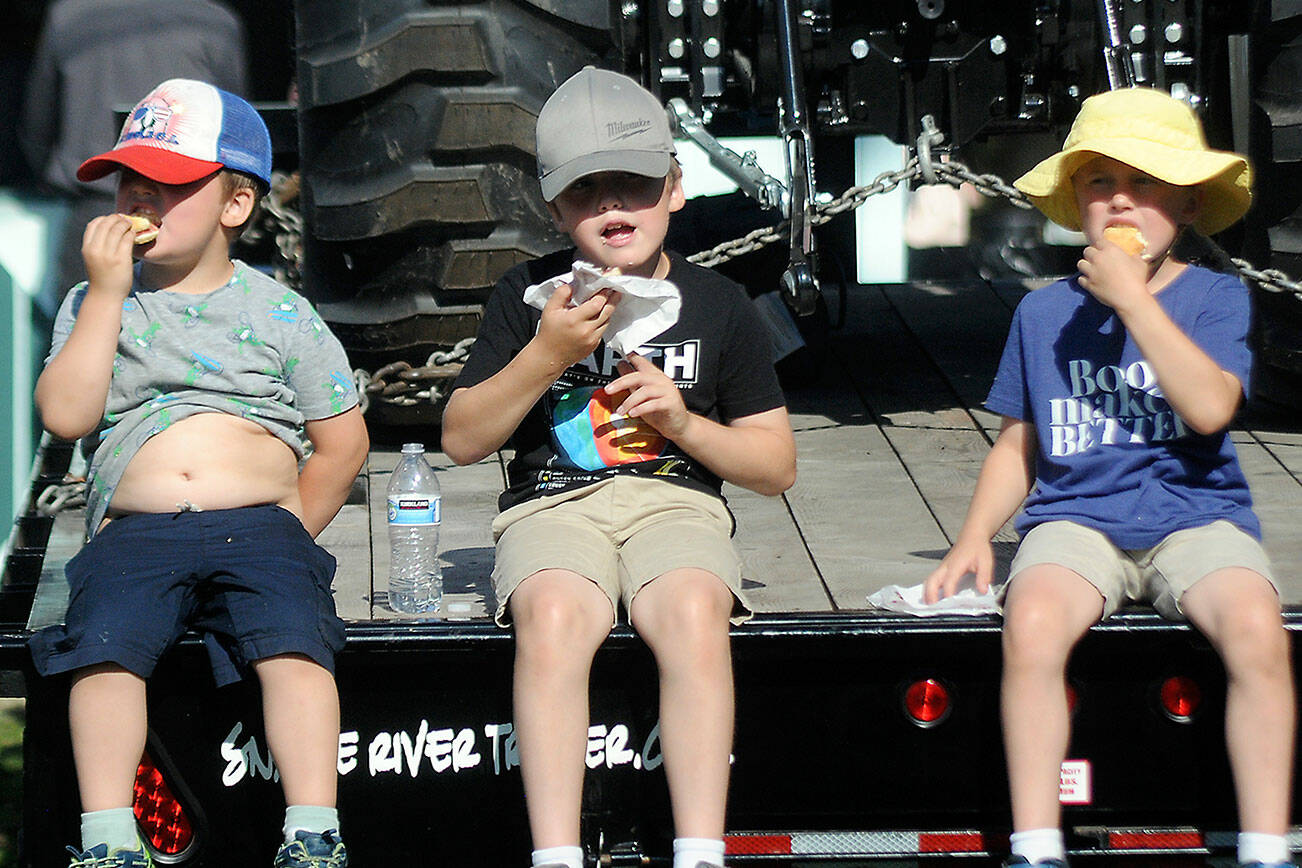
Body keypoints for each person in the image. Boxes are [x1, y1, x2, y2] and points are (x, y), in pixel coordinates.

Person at [924, 87, 1296, 868]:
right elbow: (1019, 443)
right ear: (1076, 206)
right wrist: (972, 537)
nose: (1120, 201)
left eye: (1146, 184)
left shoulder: (1215, 296)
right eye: (1100, 183)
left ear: (1188, 206)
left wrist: (1136, 305)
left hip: (1195, 517)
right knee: (1030, 623)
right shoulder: (1044, 312)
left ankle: (1265, 845)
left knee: (1258, 629)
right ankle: (1035, 842)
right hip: (1076, 520)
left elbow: (1208, 409)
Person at [441, 67, 797, 868]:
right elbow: (463, 439)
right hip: (551, 507)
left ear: (675, 187)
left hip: (675, 505)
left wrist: (680, 421)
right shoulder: (525, 293)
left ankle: (702, 850)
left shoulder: (719, 304)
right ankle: (557, 855)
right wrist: (547, 353)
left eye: (632, 185)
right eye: (586, 190)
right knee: (555, 615)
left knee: (694, 611)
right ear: (553, 206)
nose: (611, 207)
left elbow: (774, 467)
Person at [29, 79, 367, 868]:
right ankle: (110, 836)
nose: (140, 199)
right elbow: (67, 416)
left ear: (236, 205)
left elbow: (342, 440)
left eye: (170, 185)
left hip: (259, 522)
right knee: (103, 650)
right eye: (129, 181)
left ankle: (314, 827)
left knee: (295, 643)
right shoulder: (95, 302)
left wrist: (293, 526)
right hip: (138, 531)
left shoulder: (277, 310)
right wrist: (108, 295)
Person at [20, 0, 248, 298]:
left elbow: (37, 125)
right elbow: (236, 127)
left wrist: (49, 179)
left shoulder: (69, 15)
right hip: (189, 207)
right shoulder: (213, 19)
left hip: (97, 206)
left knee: (83, 326)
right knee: (195, 332)